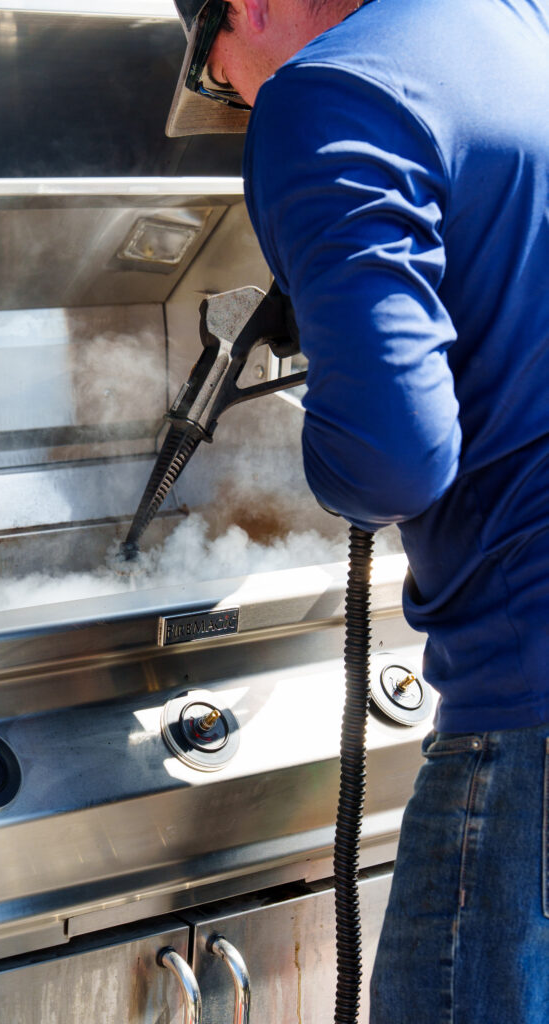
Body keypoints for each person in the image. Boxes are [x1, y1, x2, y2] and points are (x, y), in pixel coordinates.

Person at [167, 1, 549, 1021]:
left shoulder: (326, 93)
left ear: (239, 7)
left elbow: (389, 459)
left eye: (214, 74)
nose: (233, 99)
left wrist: (337, 391)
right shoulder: (511, 20)